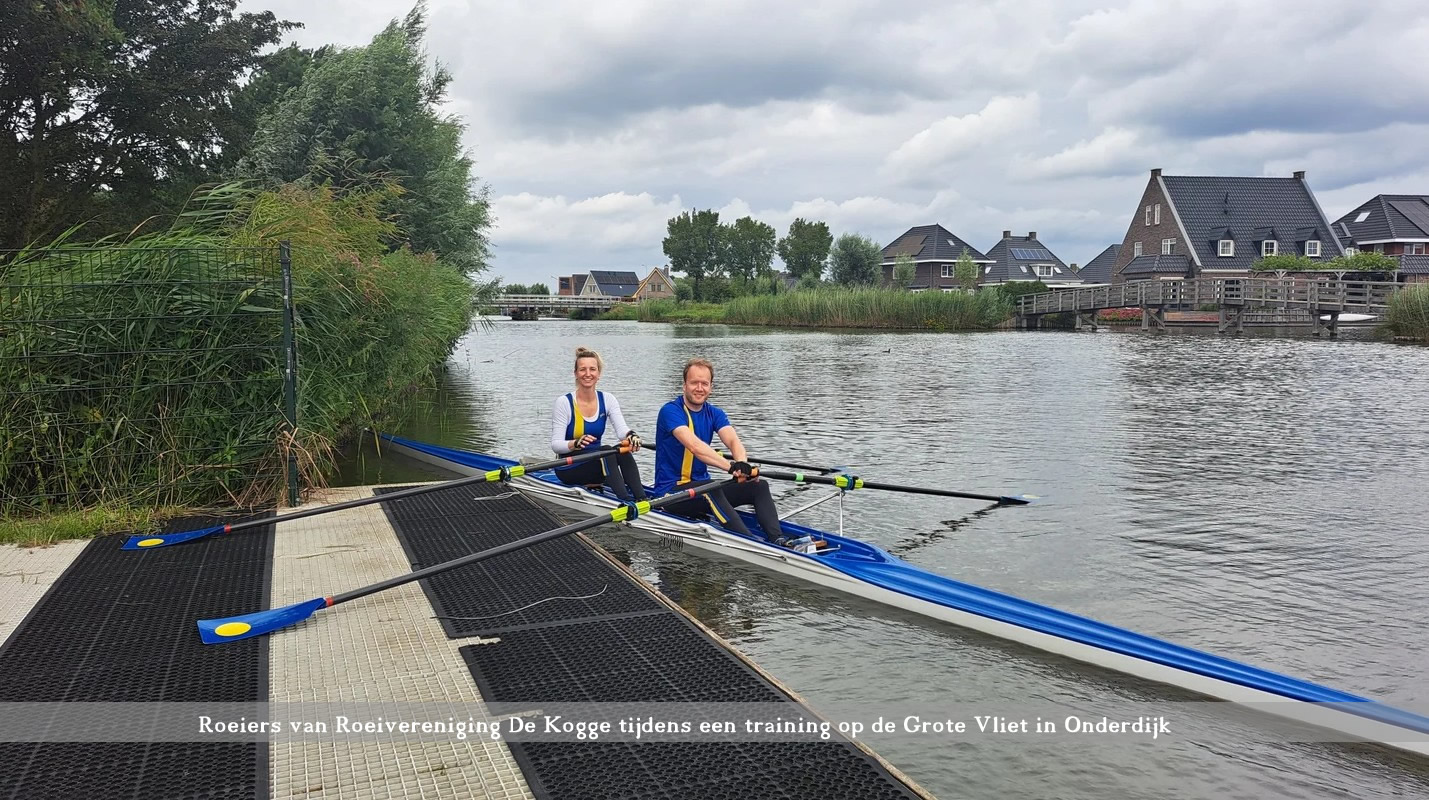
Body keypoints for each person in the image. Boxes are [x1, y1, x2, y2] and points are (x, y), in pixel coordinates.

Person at [652, 357, 818, 550]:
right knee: (710, 488)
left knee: (759, 486)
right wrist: (732, 467)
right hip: (670, 493)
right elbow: (695, 447)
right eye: (694, 383)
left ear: (711, 387)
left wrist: (743, 465)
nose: (699, 388)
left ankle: (777, 539)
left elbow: (733, 441)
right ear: (684, 386)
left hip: (701, 489)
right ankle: (751, 545)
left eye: (704, 383)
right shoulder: (670, 411)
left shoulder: (715, 413)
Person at [550, 347, 646, 502]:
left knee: (622, 451)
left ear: (598, 374)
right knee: (607, 451)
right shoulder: (564, 402)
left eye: (592, 369)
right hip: (568, 468)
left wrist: (632, 435)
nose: (588, 374)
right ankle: (626, 501)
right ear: (575, 374)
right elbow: (556, 445)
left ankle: (642, 499)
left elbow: (622, 430)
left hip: (598, 463)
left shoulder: (608, 399)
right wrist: (575, 443)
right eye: (582, 370)